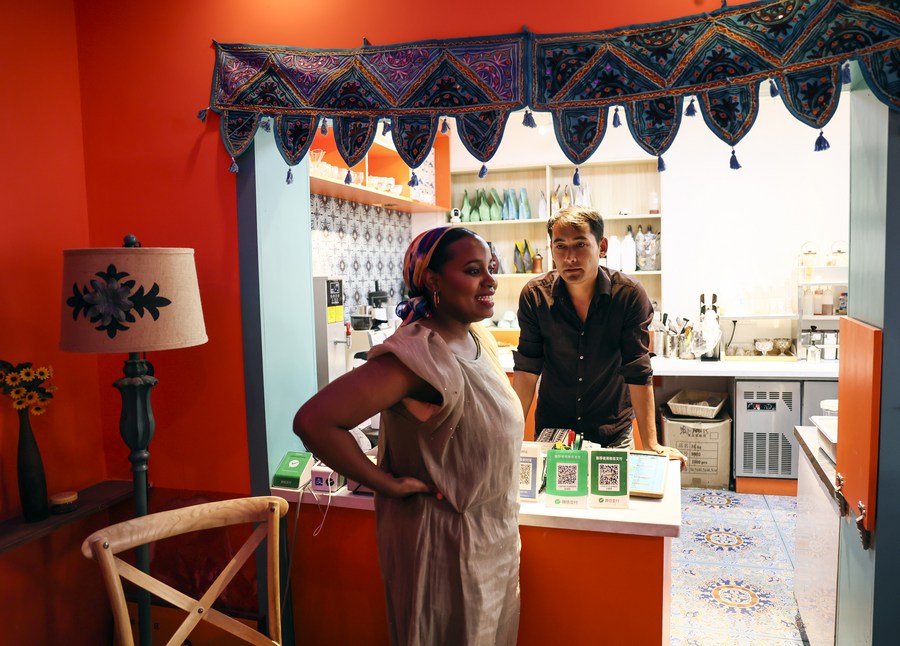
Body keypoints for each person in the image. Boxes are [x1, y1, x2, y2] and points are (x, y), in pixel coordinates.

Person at [294, 226, 523, 646]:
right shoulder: (419, 355)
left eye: (490, 268)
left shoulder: (478, 339)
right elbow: (315, 420)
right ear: (433, 280)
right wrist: (385, 483)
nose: (491, 280)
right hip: (446, 552)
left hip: (495, 543)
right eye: (474, 270)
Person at [512, 206, 687, 467]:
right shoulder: (535, 295)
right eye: (560, 246)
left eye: (580, 244)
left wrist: (651, 444)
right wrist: (511, 438)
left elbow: (637, 370)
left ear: (601, 247)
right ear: (551, 249)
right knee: (554, 495)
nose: (570, 257)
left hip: (612, 433)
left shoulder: (628, 295)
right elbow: (527, 369)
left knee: (616, 494)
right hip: (554, 432)